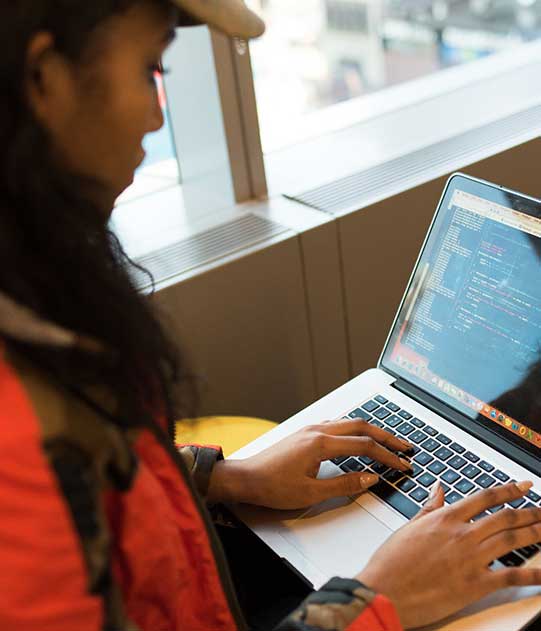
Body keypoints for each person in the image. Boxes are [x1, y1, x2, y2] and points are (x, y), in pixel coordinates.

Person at [1, 2, 541, 630]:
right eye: (150, 68)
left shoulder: (35, 294)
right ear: (45, 77)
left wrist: (225, 478)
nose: (157, 115)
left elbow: (106, 479)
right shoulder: (20, 446)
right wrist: (376, 602)